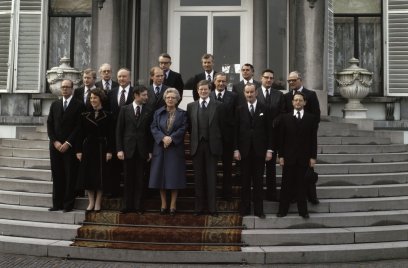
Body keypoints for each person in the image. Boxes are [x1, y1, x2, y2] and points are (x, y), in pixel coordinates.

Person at [234, 83, 272, 219]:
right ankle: (245, 209)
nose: (249, 95)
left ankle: (259, 210)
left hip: (259, 151)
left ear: (256, 93)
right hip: (243, 151)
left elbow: (269, 131)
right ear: (244, 93)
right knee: (244, 181)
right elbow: (236, 132)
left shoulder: (265, 109)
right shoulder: (239, 109)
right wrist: (236, 149)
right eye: (247, 92)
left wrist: (269, 150)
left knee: (258, 181)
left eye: (251, 92)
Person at [277, 92, 318, 219]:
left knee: (302, 186)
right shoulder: (285, 118)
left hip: (304, 158)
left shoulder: (311, 119)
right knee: (286, 185)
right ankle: (282, 210)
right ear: (292, 102)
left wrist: (313, 157)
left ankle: (303, 211)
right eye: (295, 100)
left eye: (300, 100)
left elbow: (313, 139)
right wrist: (281, 156)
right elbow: (281, 139)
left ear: (305, 102)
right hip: (288, 158)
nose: (298, 102)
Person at [47, 79, 85, 212]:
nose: (64, 89)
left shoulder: (79, 105)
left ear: (72, 89)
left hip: (70, 146)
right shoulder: (55, 104)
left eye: (67, 87)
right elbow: (50, 124)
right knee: (57, 175)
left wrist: (68, 143)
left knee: (70, 176)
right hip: (55, 146)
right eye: (62, 87)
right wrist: (55, 141)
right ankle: (56, 203)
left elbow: (79, 127)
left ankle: (68, 204)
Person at [283, 71, 321, 204]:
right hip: (291, 141)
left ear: (300, 80)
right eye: (289, 81)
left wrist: (309, 130)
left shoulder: (310, 94)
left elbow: (316, 115)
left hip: (306, 139)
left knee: (307, 172)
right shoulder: (287, 96)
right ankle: (294, 196)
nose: (291, 83)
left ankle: (311, 196)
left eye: (293, 80)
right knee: (293, 173)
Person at [149, 88, 187, 216]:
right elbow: (153, 127)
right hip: (160, 148)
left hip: (175, 149)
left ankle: (173, 204)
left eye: (173, 97)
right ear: (165, 99)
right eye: (168, 97)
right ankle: (163, 203)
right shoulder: (158, 113)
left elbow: (183, 127)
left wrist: (171, 138)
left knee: (174, 177)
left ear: (177, 100)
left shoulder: (182, 113)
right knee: (160, 177)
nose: (170, 99)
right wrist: (162, 138)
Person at [187, 80, 223, 217]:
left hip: (212, 146)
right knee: (198, 179)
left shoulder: (218, 105)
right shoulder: (191, 106)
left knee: (212, 178)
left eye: (206, 89)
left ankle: (212, 208)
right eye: (200, 89)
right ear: (197, 91)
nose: (203, 91)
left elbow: (222, 127)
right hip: (197, 146)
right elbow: (190, 127)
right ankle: (199, 208)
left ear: (210, 91)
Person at [116, 85, 154, 214]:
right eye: (143, 95)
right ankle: (127, 205)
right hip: (127, 150)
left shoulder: (149, 110)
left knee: (140, 180)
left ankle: (138, 206)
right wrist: (119, 149)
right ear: (136, 95)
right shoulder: (124, 110)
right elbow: (119, 131)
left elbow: (150, 133)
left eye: (146, 95)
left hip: (142, 150)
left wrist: (150, 151)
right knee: (128, 179)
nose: (146, 97)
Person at [76, 88, 114, 212]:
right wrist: (78, 151)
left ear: (101, 99)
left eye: (95, 98)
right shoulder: (84, 115)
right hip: (88, 147)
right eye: (91, 98)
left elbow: (111, 134)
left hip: (102, 147)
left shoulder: (109, 115)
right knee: (88, 176)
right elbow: (80, 134)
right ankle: (91, 202)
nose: (92, 100)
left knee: (100, 176)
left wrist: (109, 151)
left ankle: (98, 202)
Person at [257, 69, 285, 201]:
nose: (269, 80)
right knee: (257, 168)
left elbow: (282, 112)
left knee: (271, 168)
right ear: (261, 78)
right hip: (258, 136)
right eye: (266, 77)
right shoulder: (254, 92)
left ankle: (271, 194)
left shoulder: (279, 94)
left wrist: (276, 121)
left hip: (273, 136)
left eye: (271, 78)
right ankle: (258, 195)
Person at [106, 68, 134, 197]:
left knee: (129, 167)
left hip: (130, 134)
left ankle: (129, 194)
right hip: (113, 133)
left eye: (124, 76)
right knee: (113, 166)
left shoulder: (135, 92)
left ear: (129, 78)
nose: (121, 79)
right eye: (119, 76)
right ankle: (113, 191)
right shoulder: (111, 93)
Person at [210, 72, 238, 201]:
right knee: (212, 168)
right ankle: (212, 194)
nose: (221, 84)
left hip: (227, 138)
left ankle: (227, 193)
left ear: (227, 83)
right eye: (219, 81)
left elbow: (235, 116)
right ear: (214, 82)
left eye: (223, 81)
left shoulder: (233, 96)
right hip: (212, 138)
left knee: (227, 168)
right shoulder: (208, 95)